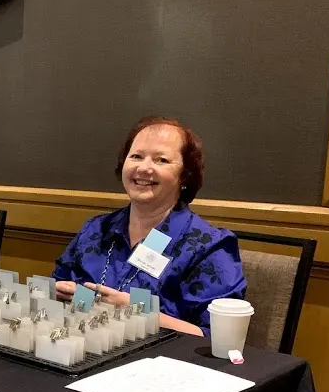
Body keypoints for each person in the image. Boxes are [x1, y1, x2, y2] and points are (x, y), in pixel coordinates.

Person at [53, 116, 246, 336]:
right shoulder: (96, 230)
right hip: (82, 352)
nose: (144, 168)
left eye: (161, 160)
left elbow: (218, 337)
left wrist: (137, 313)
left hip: (163, 364)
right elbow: (61, 291)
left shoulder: (209, 247)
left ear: (185, 175)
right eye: (136, 156)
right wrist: (65, 294)